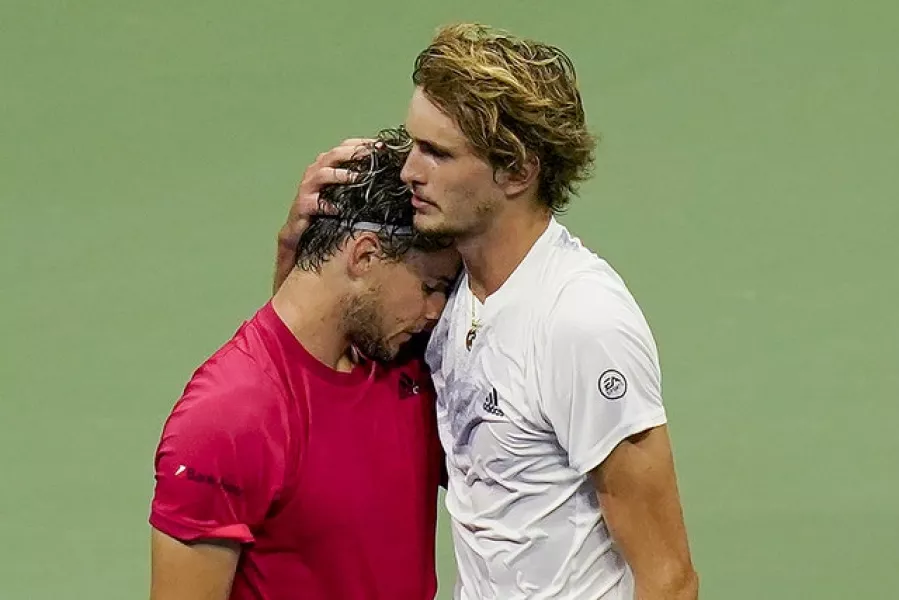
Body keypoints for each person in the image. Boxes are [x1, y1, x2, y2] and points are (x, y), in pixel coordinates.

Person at [399, 23, 699, 599]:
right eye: (414, 144)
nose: (411, 170)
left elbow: (669, 577)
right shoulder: (446, 292)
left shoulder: (581, 321)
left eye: (437, 152)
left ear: (516, 171)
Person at [148, 129, 460, 600]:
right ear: (365, 256)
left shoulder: (410, 365)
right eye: (432, 285)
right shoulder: (226, 419)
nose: (438, 310)